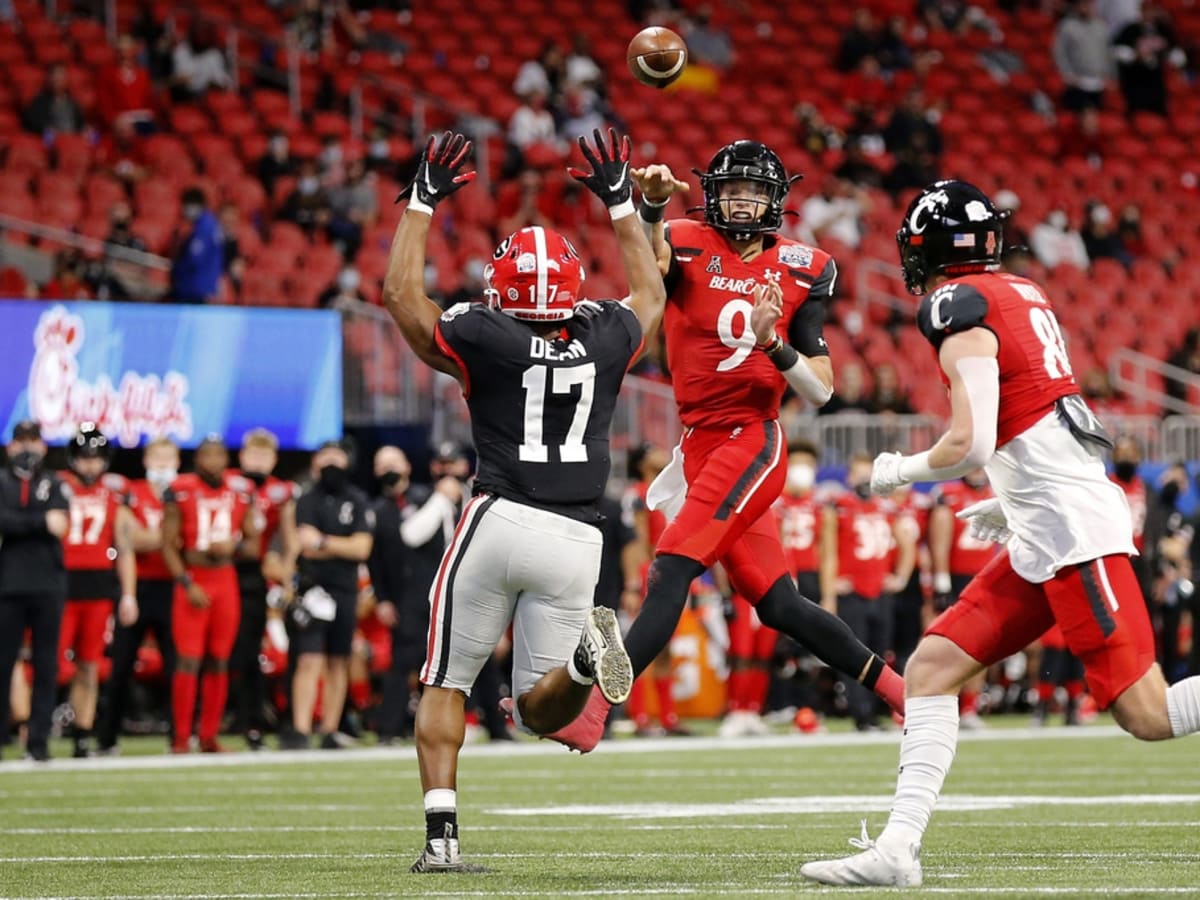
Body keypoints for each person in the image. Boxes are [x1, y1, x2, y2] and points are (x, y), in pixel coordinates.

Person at [801, 180, 1200, 887]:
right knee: (929, 668)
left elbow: (973, 442)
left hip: (1073, 536)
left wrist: (898, 471)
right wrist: (1015, 509)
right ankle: (897, 850)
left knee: (1150, 714)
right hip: (1046, 530)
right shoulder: (1018, 292)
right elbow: (1041, 420)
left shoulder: (958, 308)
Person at [383, 128, 665, 872]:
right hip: (577, 537)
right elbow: (652, 293)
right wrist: (620, 202)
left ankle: (441, 843)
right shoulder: (606, 335)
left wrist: (421, 201)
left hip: (499, 518)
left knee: (446, 678)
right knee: (545, 708)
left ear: (500, 287)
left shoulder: (485, 332)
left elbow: (400, 297)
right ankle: (581, 663)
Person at [612, 140, 905, 737]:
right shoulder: (684, 241)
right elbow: (647, 273)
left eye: (754, 190)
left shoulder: (807, 266)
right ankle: (907, 695)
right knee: (779, 604)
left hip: (752, 435)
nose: (742, 201)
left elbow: (821, 390)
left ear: (776, 199)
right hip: (698, 440)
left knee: (670, 569)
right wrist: (647, 208)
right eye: (732, 189)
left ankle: (592, 709)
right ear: (712, 194)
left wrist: (775, 345)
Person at [162, 436, 260, 754]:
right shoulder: (181, 490)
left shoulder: (240, 490)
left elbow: (254, 543)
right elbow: (168, 544)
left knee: (219, 659)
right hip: (195, 577)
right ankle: (180, 737)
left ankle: (208, 735)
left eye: (219, 455)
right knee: (188, 659)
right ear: (197, 458)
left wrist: (235, 546)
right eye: (207, 455)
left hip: (225, 578)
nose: (213, 461)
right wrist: (187, 582)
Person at [58, 424, 139, 758]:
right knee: (53, 665)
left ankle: (82, 733)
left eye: (95, 458)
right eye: (84, 457)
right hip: (59, 583)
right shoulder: (57, 486)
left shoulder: (115, 493)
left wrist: (129, 594)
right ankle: (29, 727)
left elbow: (125, 546)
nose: (90, 464)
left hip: (98, 586)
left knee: (90, 664)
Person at [287, 439, 374, 749]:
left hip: (346, 589)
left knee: (339, 660)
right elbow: (305, 543)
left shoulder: (357, 499)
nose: (332, 465)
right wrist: (339, 546)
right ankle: (300, 729)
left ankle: (329, 729)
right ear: (315, 464)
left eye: (337, 458)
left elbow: (362, 548)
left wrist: (324, 542)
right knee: (309, 659)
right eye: (326, 458)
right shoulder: (307, 499)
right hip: (314, 589)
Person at [819, 454, 915, 731]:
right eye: (859, 474)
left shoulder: (886, 507)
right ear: (849, 478)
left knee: (881, 652)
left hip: (880, 591)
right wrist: (830, 591)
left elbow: (906, 544)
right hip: (852, 591)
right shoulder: (838, 507)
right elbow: (828, 553)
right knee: (856, 653)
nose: (863, 480)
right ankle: (860, 713)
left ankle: (874, 710)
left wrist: (900, 577)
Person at [97, 438, 180, 755]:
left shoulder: (182, 492)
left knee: (178, 666)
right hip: (138, 585)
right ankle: (107, 738)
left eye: (168, 457)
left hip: (172, 587)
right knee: (120, 666)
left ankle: (180, 734)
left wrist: (156, 539)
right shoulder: (133, 492)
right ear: (146, 461)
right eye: (157, 457)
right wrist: (128, 595)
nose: (162, 464)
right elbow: (129, 542)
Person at [0, 421, 70, 761]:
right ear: (11, 446)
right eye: (22, 441)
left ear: (43, 446)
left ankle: (38, 741)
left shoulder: (54, 482)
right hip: (8, 583)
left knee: (46, 665)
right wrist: (40, 522)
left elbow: (62, 525)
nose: (27, 448)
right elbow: (7, 521)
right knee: (2, 662)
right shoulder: (2, 481)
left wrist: (20, 522)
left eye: (33, 441)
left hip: (47, 584)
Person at [229, 428, 298, 750]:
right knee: (220, 652)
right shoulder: (229, 483)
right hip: (225, 569)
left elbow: (290, 538)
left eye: (264, 455)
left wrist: (287, 575)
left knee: (255, 653)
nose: (257, 460)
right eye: (252, 454)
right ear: (242, 456)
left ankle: (255, 722)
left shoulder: (280, 492)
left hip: (259, 577)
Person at [927, 468, 997, 728]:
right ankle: (937, 704)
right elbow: (939, 540)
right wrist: (941, 580)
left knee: (981, 647)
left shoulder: (996, 491)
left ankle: (969, 707)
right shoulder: (949, 495)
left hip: (985, 577)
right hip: (956, 578)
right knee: (943, 646)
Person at [169, 187, 224, 303]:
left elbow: (195, 259)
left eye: (186, 206)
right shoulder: (209, 224)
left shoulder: (204, 227)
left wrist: (176, 269)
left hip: (196, 288)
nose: (183, 210)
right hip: (202, 286)